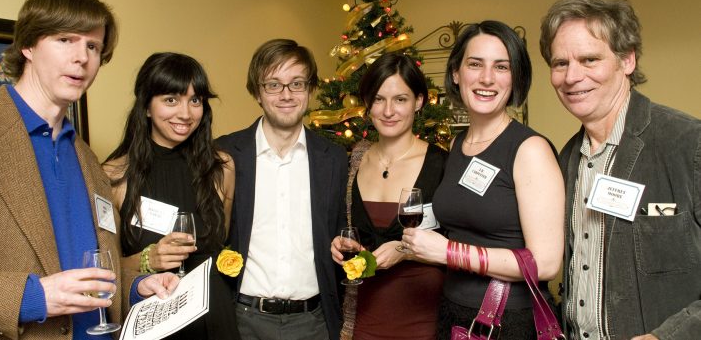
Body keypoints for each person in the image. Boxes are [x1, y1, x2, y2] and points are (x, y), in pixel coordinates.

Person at [0, 0, 178, 339]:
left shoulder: (90, 162)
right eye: (66, 40)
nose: (82, 57)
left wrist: (137, 286)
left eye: (93, 46)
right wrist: (32, 297)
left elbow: (87, 274)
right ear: (28, 46)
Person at [539, 0, 701, 340]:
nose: (572, 77)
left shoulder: (688, 144)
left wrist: (666, 337)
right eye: (560, 63)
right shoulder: (564, 160)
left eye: (589, 59)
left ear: (627, 60)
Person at [402, 20, 565, 339]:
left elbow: (545, 264)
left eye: (501, 67)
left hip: (507, 321)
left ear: (515, 78)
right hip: (453, 312)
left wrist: (449, 252)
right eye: (475, 64)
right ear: (455, 73)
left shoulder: (530, 150)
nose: (486, 78)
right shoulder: (457, 143)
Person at [216, 38, 348, 340]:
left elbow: (341, 230)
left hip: (314, 323)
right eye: (273, 85)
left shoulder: (334, 158)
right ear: (257, 93)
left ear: (310, 89)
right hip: (242, 320)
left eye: (297, 84)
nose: (286, 95)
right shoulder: (225, 154)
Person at [102, 52, 240, 339]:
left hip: (215, 318)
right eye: (171, 100)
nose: (186, 113)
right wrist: (146, 259)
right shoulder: (114, 176)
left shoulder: (221, 167)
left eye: (195, 100)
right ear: (147, 107)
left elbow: (221, 242)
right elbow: (105, 267)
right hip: (155, 321)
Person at [329, 52, 448, 339]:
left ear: (419, 102)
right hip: (363, 321)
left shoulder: (442, 164)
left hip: (425, 322)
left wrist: (405, 251)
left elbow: (460, 248)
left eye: (400, 99)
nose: (388, 110)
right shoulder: (353, 161)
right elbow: (348, 231)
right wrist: (339, 242)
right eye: (379, 99)